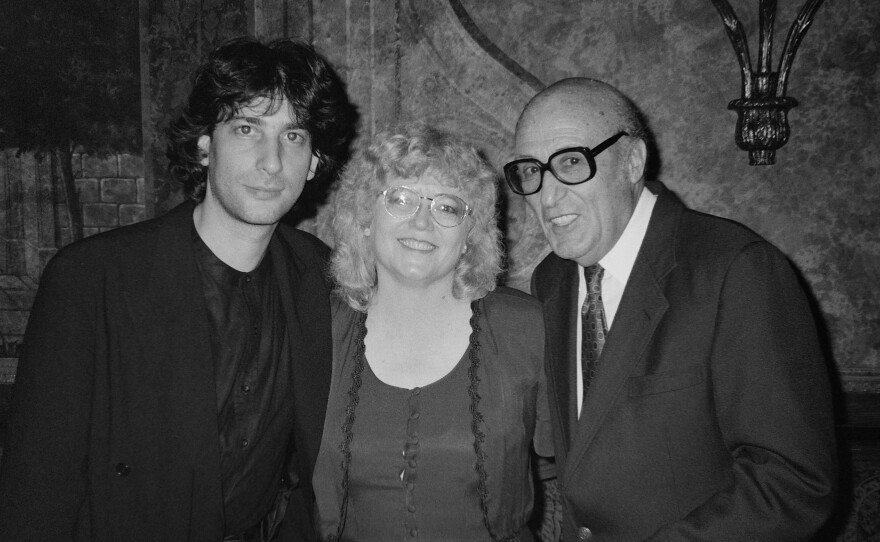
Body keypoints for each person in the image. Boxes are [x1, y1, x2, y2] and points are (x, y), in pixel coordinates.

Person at [0, 37, 356, 541]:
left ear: (315, 161)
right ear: (204, 144)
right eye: (247, 128)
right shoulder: (92, 279)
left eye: (293, 136)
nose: (272, 161)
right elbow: (36, 487)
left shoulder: (323, 277)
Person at [504, 78, 837, 541]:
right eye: (530, 170)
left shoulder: (735, 269)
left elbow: (794, 480)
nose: (546, 196)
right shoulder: (552, 280)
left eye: (572, 163)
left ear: (633, 161)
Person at [312, 123, 553, 541]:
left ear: (468, 237)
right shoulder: (316, 329)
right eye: (401, 199)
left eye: (447, 207)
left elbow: (576, 465)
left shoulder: (525, 327)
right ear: (366, 219)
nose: (422, 222)